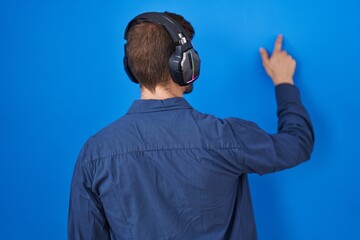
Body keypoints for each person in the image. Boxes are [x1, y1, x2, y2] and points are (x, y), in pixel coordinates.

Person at [68, 11, 314, 240]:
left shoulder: (94, 154)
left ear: (131, 69)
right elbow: (298, 144)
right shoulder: (226, 137)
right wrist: (284, 82)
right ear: (186, 65)